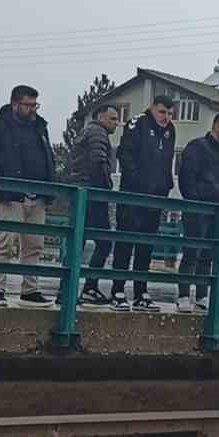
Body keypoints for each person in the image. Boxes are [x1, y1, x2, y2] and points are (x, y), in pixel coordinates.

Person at [0, 84, 56, 308]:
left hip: (38, 195)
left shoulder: (40, 127)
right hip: (9, 195)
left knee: (34, 246)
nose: (33, 109)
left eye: (35, 105)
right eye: (28, 105)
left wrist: (49, 187)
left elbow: (47, 156)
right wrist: (1, 182)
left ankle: (30, 291)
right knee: (3, 244)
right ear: (15, 104)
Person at [111, 95, 177, 312]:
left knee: (146, 246)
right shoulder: (137, 123)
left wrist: (165, 185)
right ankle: (118, 290)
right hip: (133, 194)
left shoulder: (170, 131)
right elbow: (125, 153)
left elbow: (167, 161)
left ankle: (141, 291)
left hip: (155, 196)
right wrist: (136, 181)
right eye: (162, 112)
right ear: (152, 109)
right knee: (125, 242)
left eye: (169, 113)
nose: (166, 117)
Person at [176, 112, 219, 313]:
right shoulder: (197, 147)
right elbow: (187, 177)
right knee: (192, 252)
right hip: (199, 208)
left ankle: (202, 295)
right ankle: (183, 295)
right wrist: (195, 203)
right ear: (217, 125)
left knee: (208, 255)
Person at [71, 104, 120, 306]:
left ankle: (68, 289)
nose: (116, 123)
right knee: (103, 241)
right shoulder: (98, 134)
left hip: (81, 191)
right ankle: (89, 287)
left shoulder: (89, 131)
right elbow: (98, 162)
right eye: (112, 118)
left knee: (77, 240)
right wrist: (107, 186)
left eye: (117, 119)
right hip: (92, 193)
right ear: (100, 117)